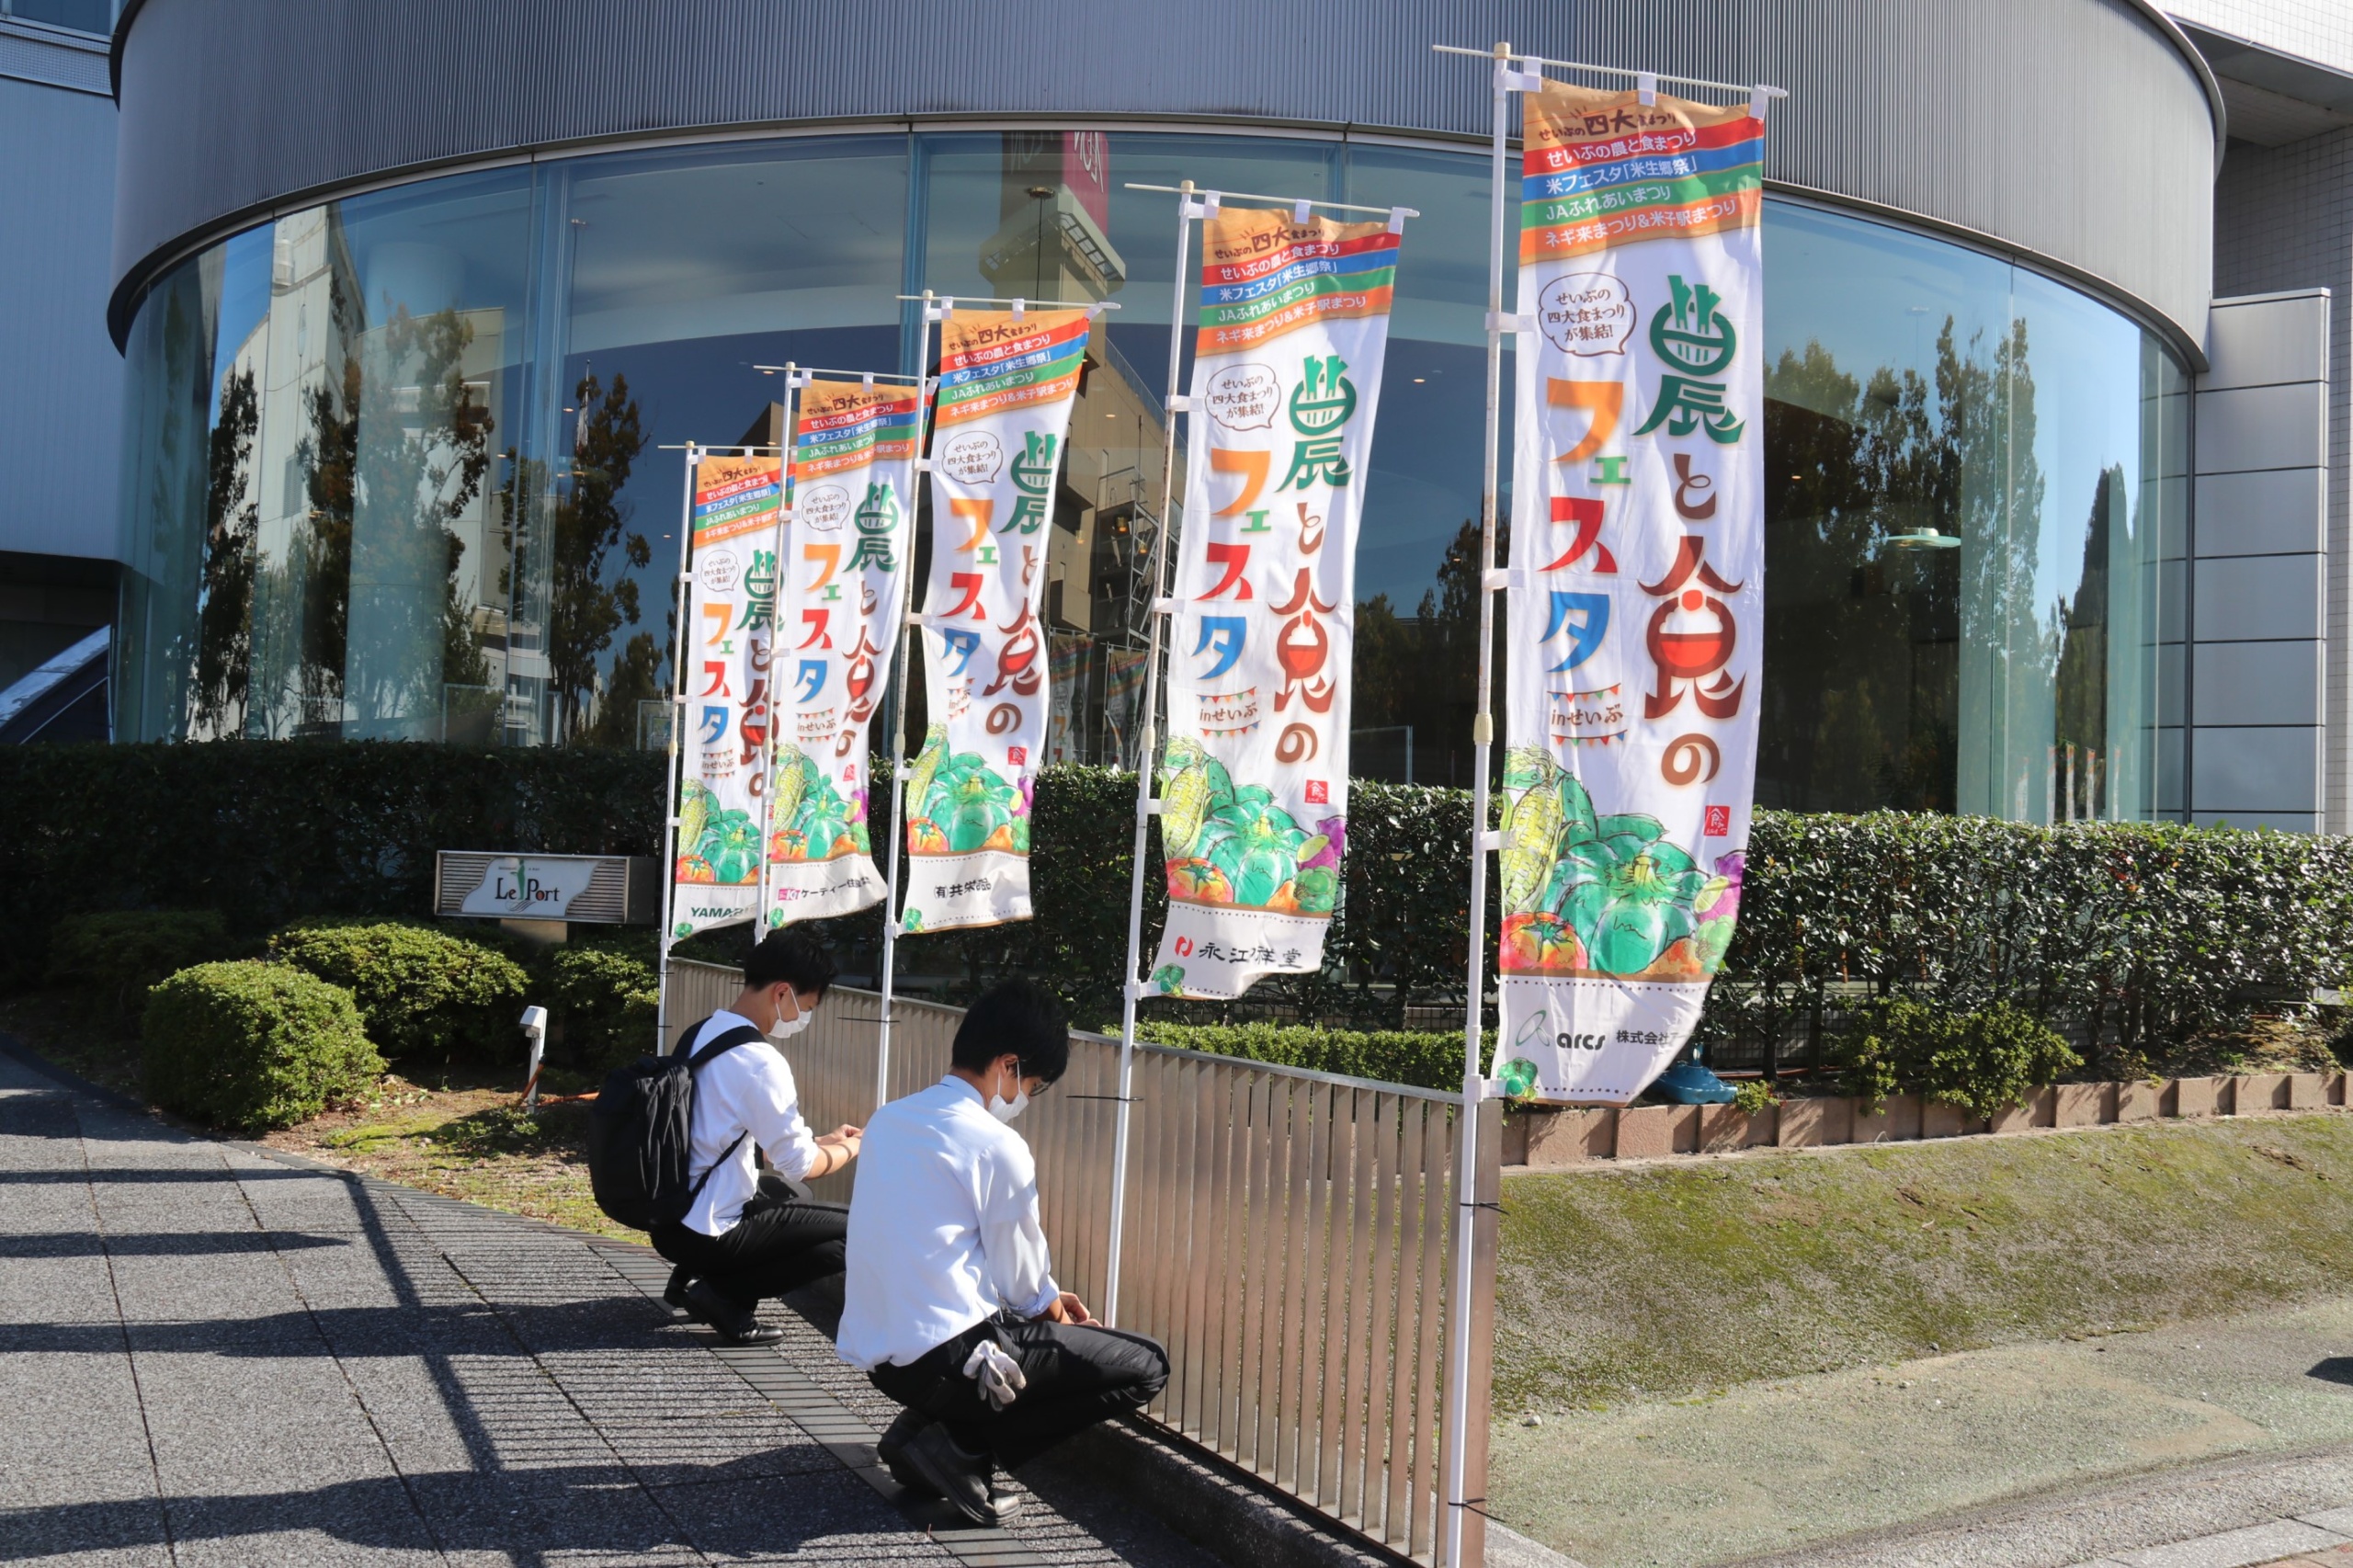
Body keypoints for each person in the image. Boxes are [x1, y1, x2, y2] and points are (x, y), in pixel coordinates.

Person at [836, 978, 1168, 1525]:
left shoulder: (890, 1119)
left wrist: (1049, 1301)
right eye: (1032, 1084)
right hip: (950, 1362)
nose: (1025, 1099)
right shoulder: (995, 1144)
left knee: (1035, 1335)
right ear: (1008, 1065)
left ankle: (919, 1435)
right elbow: (1024, 1287)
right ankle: (962, 1450)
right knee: (1146, 1364)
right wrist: (1067, 1324)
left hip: (884, 1360)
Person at [649, 928, 862, 1346]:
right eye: (807, 1006)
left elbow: (728, 1136)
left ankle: (689, 1278)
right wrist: (855, 1146)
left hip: (671, 1213)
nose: (804, 1018)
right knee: (858, 1231)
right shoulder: (760, 1061)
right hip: (707, 1228)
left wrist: (825, 1140)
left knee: (791, 1197)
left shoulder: (704, 1032)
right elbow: (801, 1166)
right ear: (783, 992)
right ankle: (723, 1295)